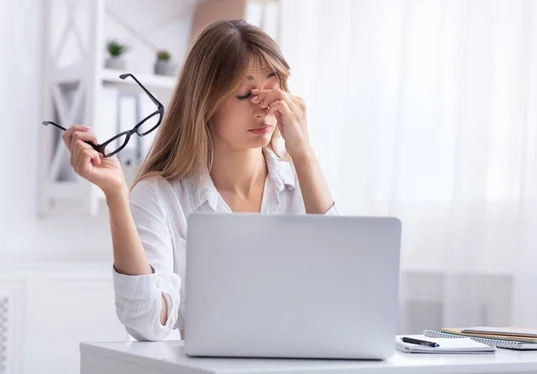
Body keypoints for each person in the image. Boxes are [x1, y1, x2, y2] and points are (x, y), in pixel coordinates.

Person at [61, 19, 337, 341]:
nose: (264, 110)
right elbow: (147, 323)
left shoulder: (300, 182)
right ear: (205, 101)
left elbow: (339, 284)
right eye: (246, 94)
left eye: (272, 91)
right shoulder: (161, 197)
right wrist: (116, 195)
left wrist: (303, 154)